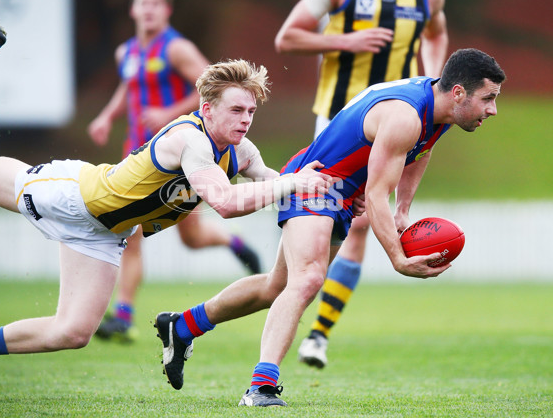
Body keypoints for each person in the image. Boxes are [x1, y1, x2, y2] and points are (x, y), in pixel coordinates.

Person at [0, 0, 333, 388]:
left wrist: (331, 194)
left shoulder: (240, 151)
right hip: (73, 196)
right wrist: (293, 181)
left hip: (105, 233)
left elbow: (283, 188)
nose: (246, 120)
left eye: (251, 112)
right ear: (207, 108)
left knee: (72, 332)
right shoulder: (191, 140)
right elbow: (226, 202)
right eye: (237, 110)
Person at [154, 48, 506, 406]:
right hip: (314, 181)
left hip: (339, 193)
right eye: (488, 99)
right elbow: (376, 192)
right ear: (458, 92)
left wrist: (403, 209)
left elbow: (420, 152)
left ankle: (182, 326)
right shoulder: (407, 115)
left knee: (275, 287)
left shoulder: (439, 108)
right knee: (307, 279)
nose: (493, 109)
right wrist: (398, 258)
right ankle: (261, 387)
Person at [274, 0, 449, 368]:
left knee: (362, 222)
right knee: (321, 240)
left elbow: (437, 35)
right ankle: (294, 296)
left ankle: (318, 334)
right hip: (342, 120)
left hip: (404, 123)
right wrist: (344, 41)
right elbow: (287, 38)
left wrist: (434, 77)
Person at [87, 0, 262, 343]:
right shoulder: (127, 52)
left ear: (166, 10)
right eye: (142, 3)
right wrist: (106, 115)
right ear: (133, 8)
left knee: (192, 238)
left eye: (155, 4)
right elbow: (128, 86)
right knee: (130, 232)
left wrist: (170, 115)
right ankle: (123, 315)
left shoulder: (176, 49)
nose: (148, 10)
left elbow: (210, 88)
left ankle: (234, 243)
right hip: (139, 153)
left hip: (186, 152)